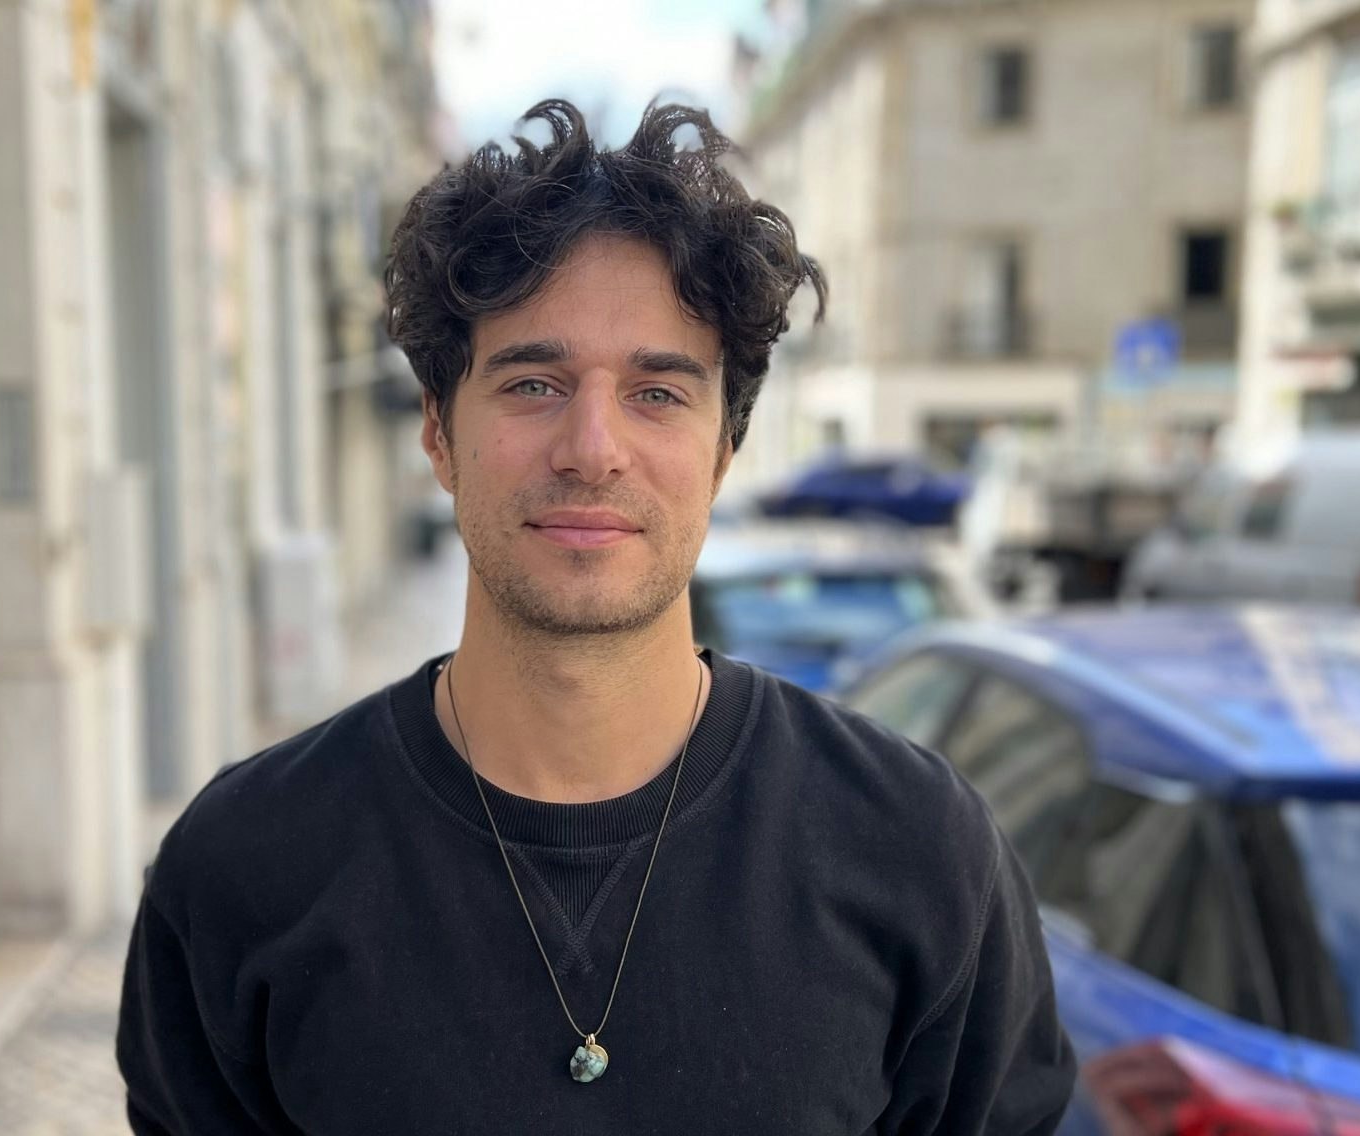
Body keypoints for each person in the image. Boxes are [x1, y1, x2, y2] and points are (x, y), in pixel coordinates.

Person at [117, 99, 1074, 1134]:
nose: (592, 448)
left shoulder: (918, 851)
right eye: (533, 382)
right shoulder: (245, 863)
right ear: (438, 432)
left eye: (658, 393)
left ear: (722, 449)